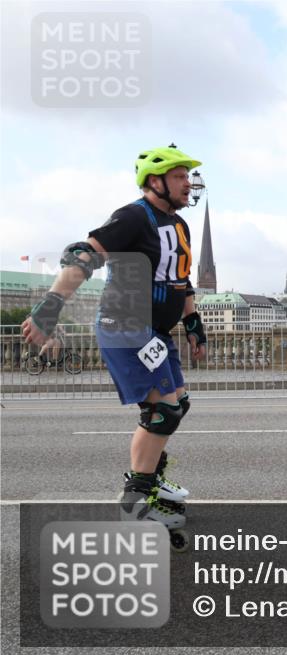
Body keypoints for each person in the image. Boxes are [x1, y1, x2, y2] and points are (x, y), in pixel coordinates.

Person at [22, 144, 208, 528]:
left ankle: (151, 480)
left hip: (154, 330)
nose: (187, 184)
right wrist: (51, 305)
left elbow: (181, 279)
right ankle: (137, 502)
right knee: (162, 411)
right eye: (179, 177)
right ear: (154, 182)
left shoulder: (179, 224)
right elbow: (83, 255)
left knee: (179, 404)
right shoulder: (133, 217)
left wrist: (193, 323)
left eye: (188, 177)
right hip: (124, 326)